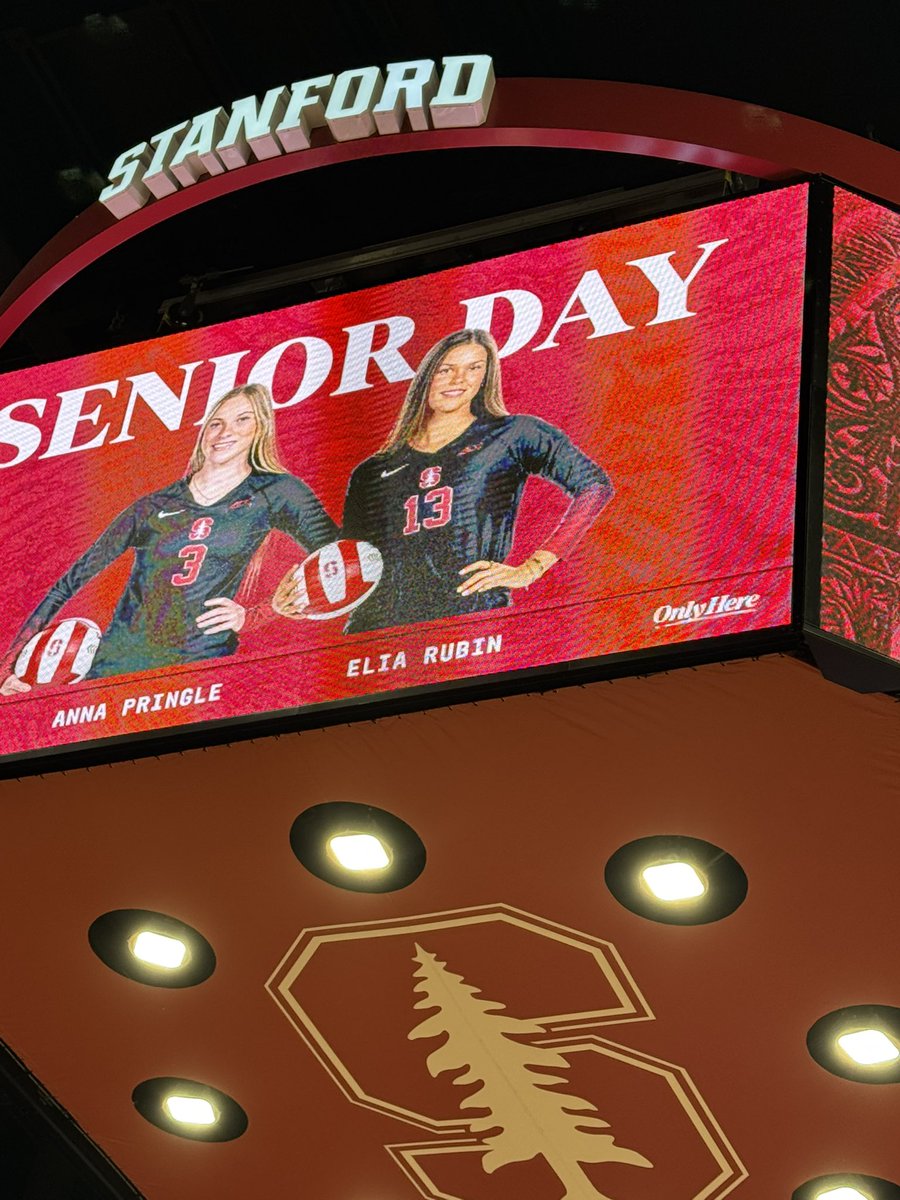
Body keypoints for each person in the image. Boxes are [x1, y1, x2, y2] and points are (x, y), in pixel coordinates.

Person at [1, 383, 337, 693]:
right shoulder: (154, 505)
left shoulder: (276, 491)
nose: (224, 432)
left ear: (260, 427)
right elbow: (70, 582)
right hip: (116, 668)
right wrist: (7, 668)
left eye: (242, 420)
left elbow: (343, 558)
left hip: (200, 669)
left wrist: (259, 614)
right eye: (216, 423)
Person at [272, 328, 613, 632]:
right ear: (426, 378)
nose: (458, 380)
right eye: (446, 369)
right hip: (376, 633)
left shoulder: (512, 434)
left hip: (470, 621)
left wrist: (532, 567)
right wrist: (305, 598)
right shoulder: (372, 470)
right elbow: (351, 560)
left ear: (485, 377)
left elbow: (594, 485)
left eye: (473, 369)